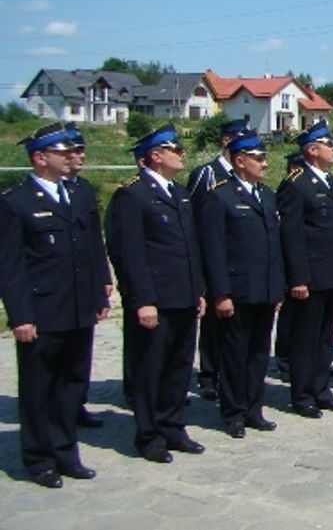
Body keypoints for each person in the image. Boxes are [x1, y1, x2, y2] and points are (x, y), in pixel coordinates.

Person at [0, 124, 108, 488]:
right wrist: (21, 315)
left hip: (77, 309)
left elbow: (90, 252)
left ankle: (66, 452)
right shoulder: (16, 202)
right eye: (63, 153)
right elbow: (10, 266)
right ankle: (38, 459)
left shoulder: (76, 195)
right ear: (40, 157)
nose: (71, 158)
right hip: (43, 313)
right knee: (38, 389)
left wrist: (98, 296)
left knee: (71, 385)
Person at [106, 124, 207, 464]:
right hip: (155, 300)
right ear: (154, 155)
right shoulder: (132, 195)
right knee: (150, 369)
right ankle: (149, 436)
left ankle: (173, 427)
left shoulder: (178, 193)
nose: (181, 153)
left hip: (184, 296)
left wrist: (199, 290)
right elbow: (130, 254)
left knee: (179, 366)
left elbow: (190, 247)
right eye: (174, 148)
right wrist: (142, 300)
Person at [200, 132, 285, 438]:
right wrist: (220, 294)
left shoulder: (266, 195)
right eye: (258, 158)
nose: (265, 163)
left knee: (259, 353)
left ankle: (253, 409)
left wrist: (277, 288)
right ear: (240, 161)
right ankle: (233, 412)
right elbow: (213, 250)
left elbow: (274, 246)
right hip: (237, 292)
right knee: (234, 355)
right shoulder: (219, 196)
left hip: (263, 290)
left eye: (264, 157)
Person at [277, 122, 333, 417]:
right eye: (328, 144)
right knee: (305, 338)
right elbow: (291, 236)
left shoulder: (329, 182)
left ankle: (321, 389)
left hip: (330, 273)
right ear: (311, 149)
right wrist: (298, 278)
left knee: (324, 336)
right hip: (309, 276)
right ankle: (302, 394)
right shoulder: (296, 185)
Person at [188, 118, 248, 401]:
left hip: (237, 257)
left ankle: (229, 370)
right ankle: (209, 374)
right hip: (211, 255)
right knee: (213, 319)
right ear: (227, 141)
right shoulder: (206, 173)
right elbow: (195, 218)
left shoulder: (242, 176)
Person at [62, 122, 114, 428]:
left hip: (84, 283)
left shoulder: (82, 189)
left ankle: (77, 403)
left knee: (81, 350)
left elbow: (95, 239)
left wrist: (103, 277)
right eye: (75, 150)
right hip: (55, 289)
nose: (81, 156)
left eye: (82, 150)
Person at [272, 150, 307, 379]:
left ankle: (302, 360)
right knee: (290, 314)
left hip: (304, 257)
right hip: (288, 259)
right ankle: (284, 361)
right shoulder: (290, 186)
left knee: (303, 317)